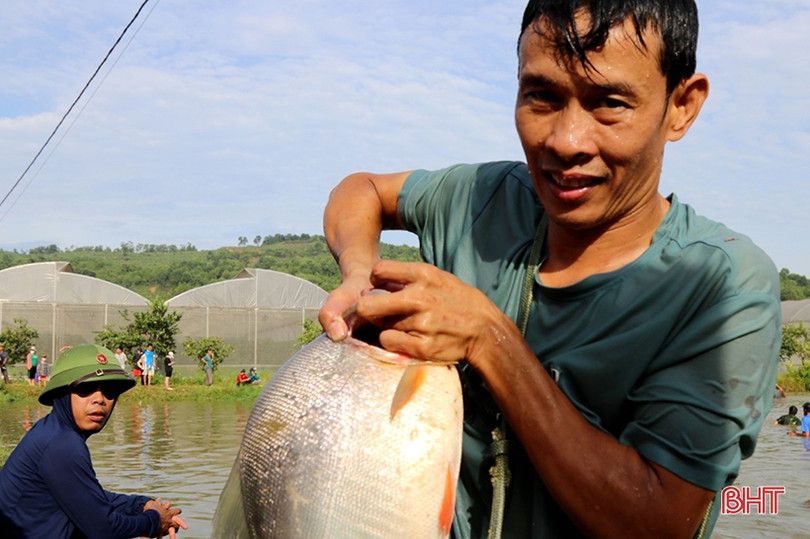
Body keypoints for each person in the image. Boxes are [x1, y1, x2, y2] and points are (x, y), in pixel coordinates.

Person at [318, 1, 781, 536]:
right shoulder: (483, 199)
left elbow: (659, 522)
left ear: (681, 106)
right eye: (542, 96)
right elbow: (362, 190)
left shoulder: (723, 284)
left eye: (610, 103)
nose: (565, 141)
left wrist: (489, 341)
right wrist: (359, 271)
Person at [0, 344, 188, 538]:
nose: (99, 399)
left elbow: (85, 496)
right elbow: (103, 528)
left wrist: (140, 505)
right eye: (86, 388)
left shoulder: (51, 430)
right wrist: (155, 521)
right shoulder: (63, 444)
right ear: (62, 393)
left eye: (110, 390)